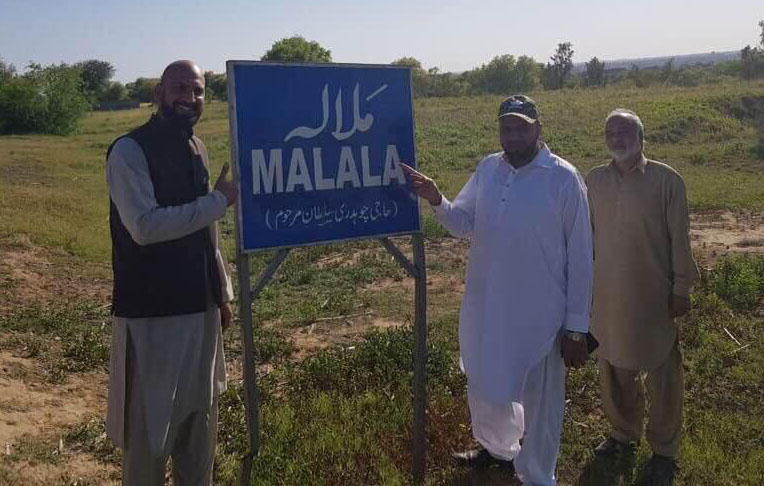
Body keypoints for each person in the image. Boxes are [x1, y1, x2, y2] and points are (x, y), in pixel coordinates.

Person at [403, 95, 593, 485]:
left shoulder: (563, 178)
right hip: (489, 306)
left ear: (538, 128)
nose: (513, 135)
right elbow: (463, 223)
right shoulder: (489, 168)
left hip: (542, 314)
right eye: (507, 127)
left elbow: (581, 253)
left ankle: (538, 475)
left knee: (541, 405)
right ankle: (500, 450)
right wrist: (437, 198)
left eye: (522, 127)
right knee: (486, 383)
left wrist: (576, 327)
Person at [104, 60, 239, 485]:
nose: (190, 98)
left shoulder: (197, 147)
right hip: (151, 315)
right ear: (159, 94)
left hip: (200, 311)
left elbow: (207, 232)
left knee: (198, 436)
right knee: (148, 439)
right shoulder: (129, 150)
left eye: (197, 91)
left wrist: (221, 292)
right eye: (180, 88)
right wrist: (218, 201)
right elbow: (143, 226)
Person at [586, 109, 699, 483]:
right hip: (609, 296)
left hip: (653, 297)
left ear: (641, 136)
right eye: (610, 131)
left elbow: (679, 241)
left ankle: (664, 451)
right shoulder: (594, 181)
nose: (617, 138)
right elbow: (585, 241)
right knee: (615, 370)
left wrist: (681, 288)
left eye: (625, 131)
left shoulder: (668, 181)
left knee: (663, 374)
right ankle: (622, 435)